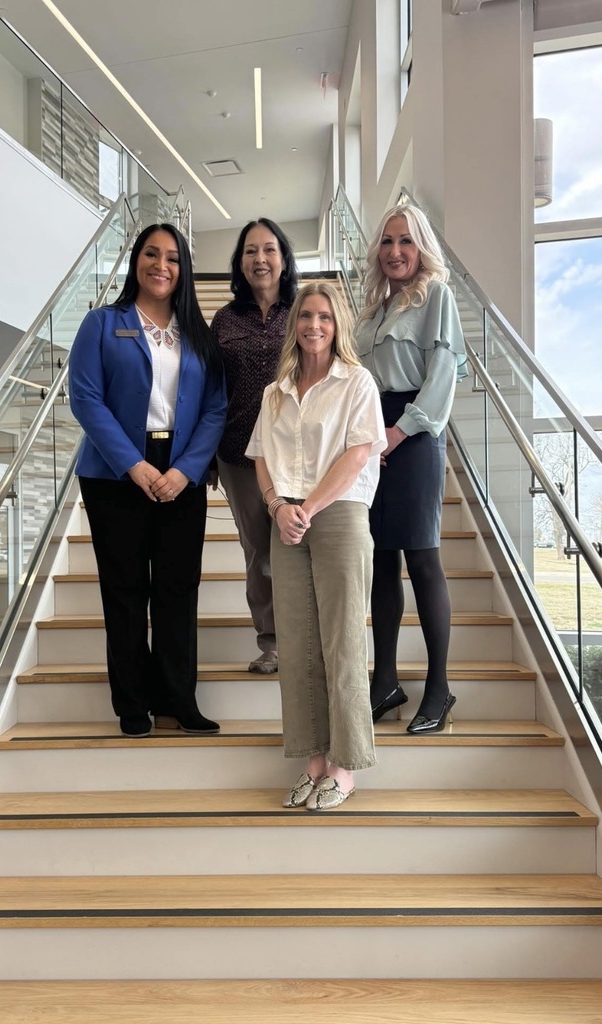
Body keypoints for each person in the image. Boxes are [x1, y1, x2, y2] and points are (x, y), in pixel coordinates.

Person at [69, 223, 226, 738]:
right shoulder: (102, 323)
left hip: (182, 468)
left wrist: (184, 470)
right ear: (136, 260)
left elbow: (215, 408)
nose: (162, 265)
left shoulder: (199, 336)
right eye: (152, 255)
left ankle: (179, 699)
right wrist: (132, 465)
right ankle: (132, 702)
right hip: (116, 471)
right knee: (126, 589)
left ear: (183, 270)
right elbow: (86, 398)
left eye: (173, 258)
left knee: (179, 588)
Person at [247, 282, 386, 810]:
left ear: (338, 324)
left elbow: (358, 454)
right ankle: (312, 759)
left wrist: (310, 506)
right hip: (287, 518)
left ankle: (345, 767)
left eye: (325, 316)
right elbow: (260, 455)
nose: (314, 325)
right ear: (294, 324)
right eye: (306, 315)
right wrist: (277, 506)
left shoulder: (357, 383)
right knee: (300, 643)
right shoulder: (275, 390)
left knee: (342, 640)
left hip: (340, 514)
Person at [355, 203, 468, 735]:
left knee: (422, 559)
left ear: (421, 247)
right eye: (387, 241)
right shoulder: (374, 307)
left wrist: (399, 431)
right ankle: (385, 682)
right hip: (371, 436)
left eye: (406, 241)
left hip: (415, 435)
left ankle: (439, 688)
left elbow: (442, 375)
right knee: (379, 560)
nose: (395, 251)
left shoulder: (436, 297)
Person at [212, 218, 298, 674]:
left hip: (299, 455)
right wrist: (206, 454)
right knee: (259, 553)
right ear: (239, 262)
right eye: (250, 251)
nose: (259, 259)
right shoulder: (224, 319)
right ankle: (272, 643)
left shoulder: (304, 311)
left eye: (268, 250)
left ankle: (306, 638)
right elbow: (210, 388)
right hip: (238, 455)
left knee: (299, 546)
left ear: (283, 259)